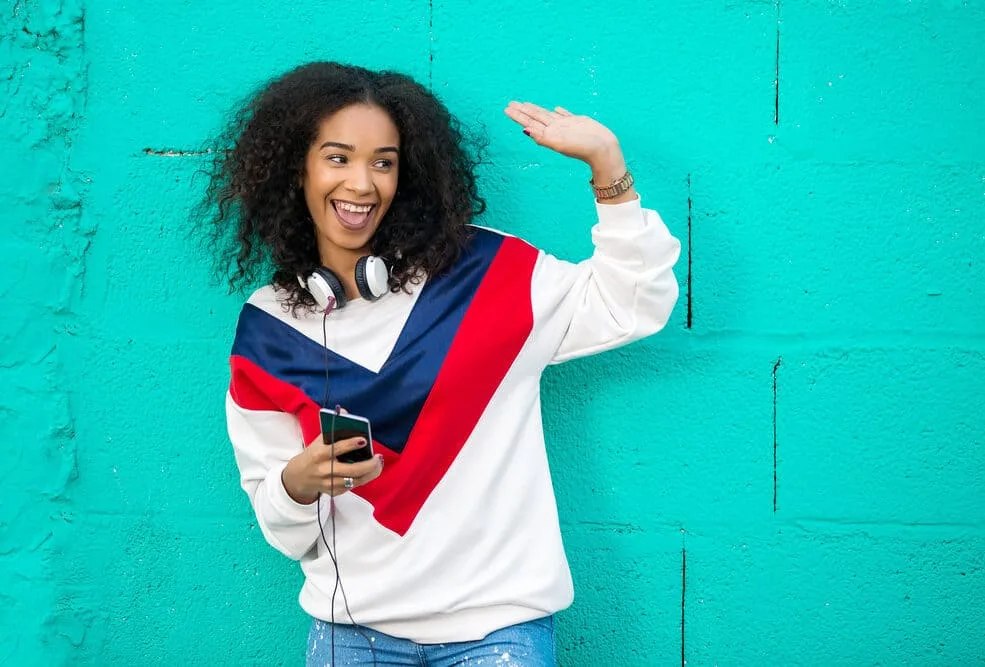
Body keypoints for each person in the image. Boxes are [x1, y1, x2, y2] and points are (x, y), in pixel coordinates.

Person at [204, 61, 680, 666]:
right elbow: (284, 529)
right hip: (352, 634)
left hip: (500, 631)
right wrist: (295, 488)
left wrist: (608, 166)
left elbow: (630, 303)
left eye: (384, 161)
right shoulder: (268, 330)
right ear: (296, 167)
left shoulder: (488, 273)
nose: (362, 183)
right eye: (338, 157)